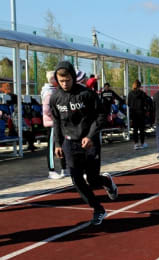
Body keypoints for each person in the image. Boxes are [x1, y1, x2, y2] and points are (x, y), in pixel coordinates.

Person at [50, 61, 118, 226]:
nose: (65, 83)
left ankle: (106, 181)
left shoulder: (87, 94)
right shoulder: (55, 98)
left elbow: (101, 116)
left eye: (67, 80)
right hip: (69, 143)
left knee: (93, 179)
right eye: (61, 80)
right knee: (77, 179)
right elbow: (56, 122)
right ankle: (98, 209)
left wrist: (90, 135)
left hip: (90, 141)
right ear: (57, 80)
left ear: (73, 77)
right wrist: (57, 144)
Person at [41, 70, 68, 179]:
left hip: (58, 122)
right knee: (52, 147)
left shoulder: (55, 91)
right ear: (52, 79)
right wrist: (58, 114)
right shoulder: (48, 93)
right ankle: (51, 171)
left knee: (62, 145)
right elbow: (46, 110)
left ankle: (64, 169)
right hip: (52, 124)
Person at [127, 79, 151, 150]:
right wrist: (146, 109)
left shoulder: (130, 93)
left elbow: (128, 103)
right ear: (140, 86)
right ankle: (142, 143)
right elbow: (147, 103)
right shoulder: (142, 93)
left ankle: (136, 144)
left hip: (134, 113)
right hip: (141, 113)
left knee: (135, 129)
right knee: (141, 129)